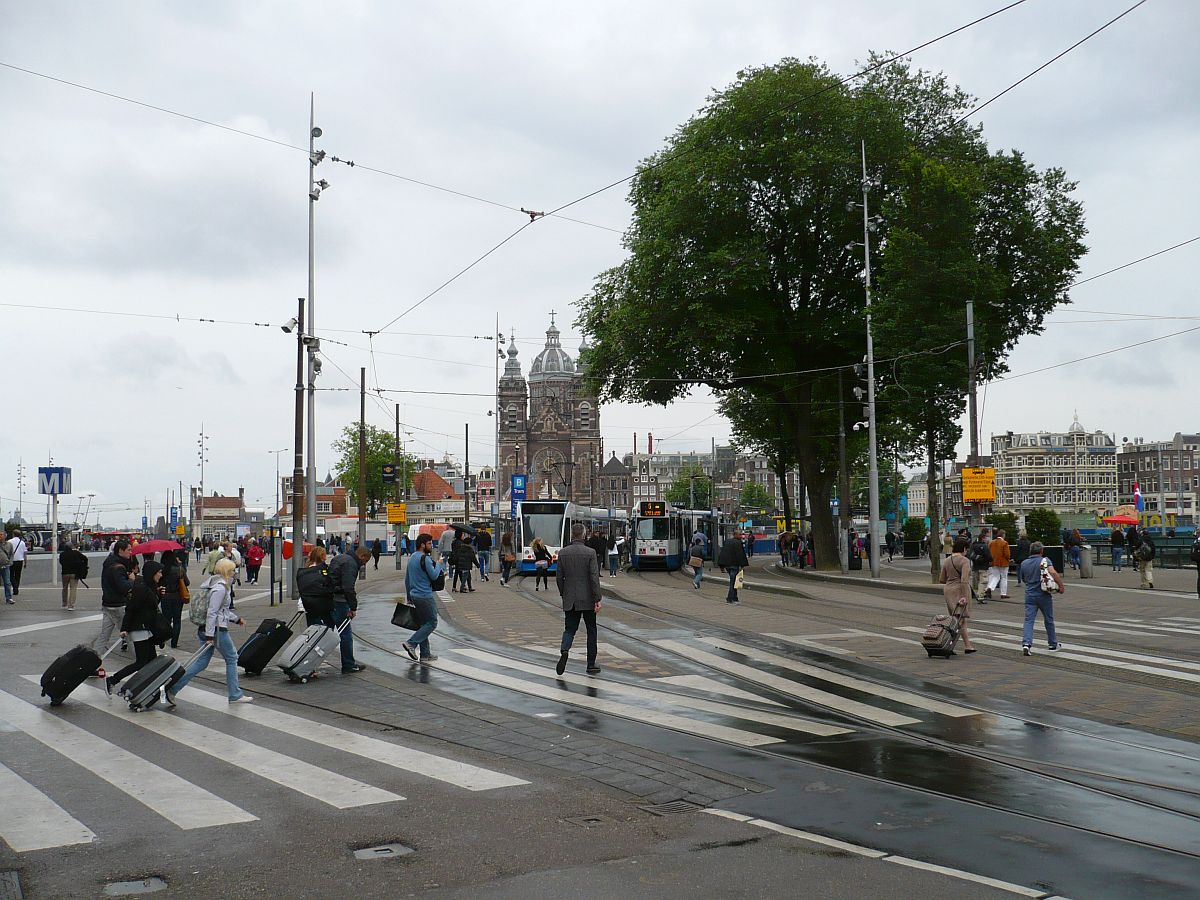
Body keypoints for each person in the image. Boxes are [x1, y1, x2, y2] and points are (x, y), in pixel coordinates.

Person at [168, 558, 251, 705]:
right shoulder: (220, 588)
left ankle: (173, 688)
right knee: (232, 659)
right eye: (232, 570)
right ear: (226, 571)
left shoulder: (212, 584)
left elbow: (220, 611)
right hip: (217, 631)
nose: (234, 573)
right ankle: (235, 694)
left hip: (209, 629)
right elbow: (213, 612)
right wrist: (209, 635)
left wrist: (236, 619)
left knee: (201, 663)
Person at [106, 560, 166, 695]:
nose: (161, 575)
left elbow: (151, 607)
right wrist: (124, 628)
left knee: (152, 662)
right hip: (139, 629)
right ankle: (114, 680)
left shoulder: (149, 587)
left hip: (146, 629)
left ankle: (151, 688)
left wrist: (159, 596)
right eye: (159, 572)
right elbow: (131, 608)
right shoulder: (142, 588)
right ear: (152, 573)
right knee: (141, 662)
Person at [555, 523, 603, 676]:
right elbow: (594, 577)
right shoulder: (590, 553)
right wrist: (597, 598)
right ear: (583, 535)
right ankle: (590, 664)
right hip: (588, 599)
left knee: (569, 629)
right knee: (591, 630)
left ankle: (564, 650)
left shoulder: (563, 553)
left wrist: (564, 593)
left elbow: (558, 577)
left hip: (571, 599)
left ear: (572, 536)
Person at [401, 533, 444, 662]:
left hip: (414, 595)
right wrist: (439, 564)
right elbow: (434, 575)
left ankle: (425, 654)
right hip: (425, 595)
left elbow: (407, 579)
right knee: (432, 623)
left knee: (423, 624)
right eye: (430, 543)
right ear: (422, 545)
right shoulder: (424, 558)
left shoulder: (412, 557)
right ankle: (411, 643)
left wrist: (409, 597)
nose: (432, 546)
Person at [327, 546, 370, 673]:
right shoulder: (351, 564)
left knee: (325, 633)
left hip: (329, 600)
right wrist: (353, 607)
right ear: (361, 556)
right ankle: (348, 664)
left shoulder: (339, 558)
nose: (364, 564)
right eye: (365, 561)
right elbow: (348, 588)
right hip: (340, 602)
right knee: (346, 635)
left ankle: (312, 661)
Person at [1018, 541, 1064, 655]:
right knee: (1048, 619)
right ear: (1041, 551)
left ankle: (1026, 644)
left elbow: (1023, 578)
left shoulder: (1024, 563)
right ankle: (1052, 644)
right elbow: (1053, 573)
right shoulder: (1045, 561)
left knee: (1029, 620)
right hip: (1044, 595)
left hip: (1029, 595)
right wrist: (1061, 586)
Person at [94, 540, 135, 656]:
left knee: (104, 636)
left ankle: (93, 661)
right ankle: (139, 661)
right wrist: (132, 580)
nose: (130, 552)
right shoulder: (118, 567)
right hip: (118, 605)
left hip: (107, 603)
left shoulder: (108, 563)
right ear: (121, 550)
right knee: (128, 634)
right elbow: (123, 587)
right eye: (129, 550)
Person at [938, 537, 976, 653]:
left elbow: (942, 579)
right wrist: (964, 596)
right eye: (966, 549)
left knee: (957, 619)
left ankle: (966, 645)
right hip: (960, 591)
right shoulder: (964, 561)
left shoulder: (947, 560)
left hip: (948, 590)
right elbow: (964, 580)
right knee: (959, 621)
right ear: (964, 548)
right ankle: (946, 643)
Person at [159, 550, 189, 649]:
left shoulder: (161, 570)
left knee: (166, 620)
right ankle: (174, 643)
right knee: (177, 620)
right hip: (177, 596)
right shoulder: (179, 569)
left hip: (165, 596)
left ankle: (162, 639)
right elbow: (187, 582)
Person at [718, 533, 749, 604]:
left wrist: (721, 566)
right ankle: (729, 598)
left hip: (727, 565)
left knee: (734, 581)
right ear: (735, 535)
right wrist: (742, 565)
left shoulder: (727, 542)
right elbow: (740, 554)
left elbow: (723, 553)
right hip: (734, 565)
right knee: (733, 582)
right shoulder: (738, 543)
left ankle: (735, 598)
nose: (741, 536)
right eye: (739, 535)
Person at [59, 539, 89, 610]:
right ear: (71, 547)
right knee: (73, 588)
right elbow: (85, 558)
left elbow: (61, 562)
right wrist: (84, 566)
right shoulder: (76, 553)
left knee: (64, 588)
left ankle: (64, 604)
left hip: (65, 573)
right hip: (74, 573)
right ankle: (71, 605)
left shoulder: (62, 554)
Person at [985, 529, 1011, 600]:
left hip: (994, 562)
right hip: (1003, 563)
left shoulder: (992, 542)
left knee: (995, 576)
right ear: (1003, 535)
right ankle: (1003, 594)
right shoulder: (1004, 543)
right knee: (1004, 578)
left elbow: (989, 552)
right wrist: (1009, 559)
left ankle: (989, 588)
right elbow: (1007, 554)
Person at [7, 531, 28, 597]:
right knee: (18, 575)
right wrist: (25, 562)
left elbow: (7, 551)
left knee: (11, 576)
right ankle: (16, 589)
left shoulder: (9, 541)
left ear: (13, 534)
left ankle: (15, 587)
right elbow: (25, 554)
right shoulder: (22, 543)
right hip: (20, 561)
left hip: (12, 561)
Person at [0, 536, 12, 604]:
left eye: (2, 535)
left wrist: (10, 562)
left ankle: (8, 598)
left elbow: (11, 554)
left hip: (6, 565)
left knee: (7, 582)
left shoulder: (9, 544)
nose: (0, 537)